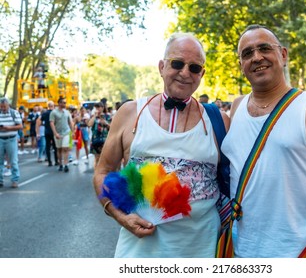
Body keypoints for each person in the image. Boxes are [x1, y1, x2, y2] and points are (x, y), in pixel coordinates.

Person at [93, 32, 229, 258]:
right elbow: (103, 171)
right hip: (139, 252)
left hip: (202, 248)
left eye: (194, 68)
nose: (185, 73)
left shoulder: (219, 120)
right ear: (161, 66)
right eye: (177, 63)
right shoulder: (130, 113)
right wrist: (120, 216)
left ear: (202, 74)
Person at [220, 25, 306, 257]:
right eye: (247, 53)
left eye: (264, 48)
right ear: (241, 65)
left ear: (283, 54)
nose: (257, 57)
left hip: (299, 252)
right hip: (241, 249)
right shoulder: (237, 107)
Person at [0, 98, 23, 188]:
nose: (3, 108)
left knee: (13, 161)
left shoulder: (14, 113)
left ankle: (15, 180)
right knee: (0, 161)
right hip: (0, 139)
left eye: (4, 106)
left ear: (8, 105)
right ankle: (0, 180)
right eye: (1, 107)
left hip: (11, 139)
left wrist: (8, 128)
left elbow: (20, 126)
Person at [50, 97, 73, 173]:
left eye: (65, 103)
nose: (65, 104)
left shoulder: (67, 112)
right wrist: (55, 133)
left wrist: (72, 132)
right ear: (59, 103)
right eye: (64, 103)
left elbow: (70, 122)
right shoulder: (53, 112)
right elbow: (52, 123)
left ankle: (66, 165)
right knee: (59, 149)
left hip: (66, 132)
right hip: (58, 133)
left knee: (65, 148)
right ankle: (60, 164)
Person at [88, 102, 111, 169]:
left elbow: (112, 127)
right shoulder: (94, 116)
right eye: (96, 107)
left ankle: (103, 173)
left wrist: (106, 123)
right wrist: (95, 116)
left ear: (103, 108)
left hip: (105, 140)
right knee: (97, 158)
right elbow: (89, 124)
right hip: (95, 140)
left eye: (98, 107)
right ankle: (96, 174)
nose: (97, 109)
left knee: (104, 158)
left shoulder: (107, 116)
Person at [39, 101, 58, 166]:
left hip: (46, 131)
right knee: (55, 147)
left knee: (48, 147)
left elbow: (40, 121)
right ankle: (56, 161)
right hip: (54, 131)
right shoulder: (55, 112)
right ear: (53, 106)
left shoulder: (45, 113)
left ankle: (49, 161)